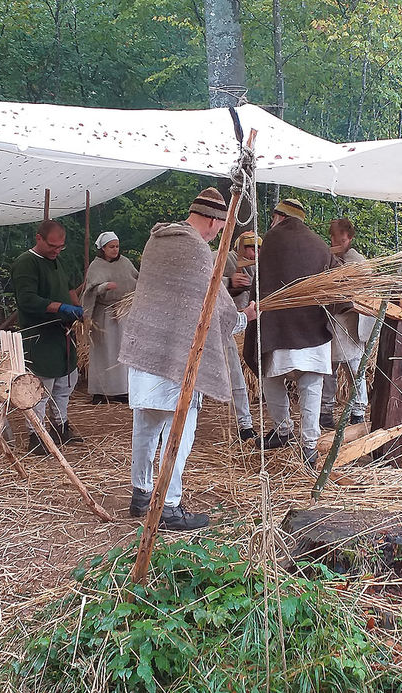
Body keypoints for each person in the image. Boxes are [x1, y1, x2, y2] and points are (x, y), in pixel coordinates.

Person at [120, 187, 257, 530]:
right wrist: (244, 317)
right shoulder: (196, 247)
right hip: (177, 355)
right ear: (211, 220)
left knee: (146, 425)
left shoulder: (157, 241)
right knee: (180, 430)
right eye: (219, 226)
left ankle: (141, 494)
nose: (217, 234)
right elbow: (215, 301)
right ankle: (168, 506)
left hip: (146, 349)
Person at [243, 199, 338, 468]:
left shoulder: (272, 240)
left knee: (271, 378)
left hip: (279, 327)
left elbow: (260, 283)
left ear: (279, 217)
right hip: (312, 329)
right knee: (311, 385)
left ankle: (282, 431)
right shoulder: (319, 244)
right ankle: (309, 446)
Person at [11, 219, 84, 455]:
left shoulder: (58, 261)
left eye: (61, 246)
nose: (56, 250)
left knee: (65, 385)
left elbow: (71, 288)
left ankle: (60, 427)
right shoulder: (26, 263)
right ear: (39, 238)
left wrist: (77, 308)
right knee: (41, 389)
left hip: (62, 335)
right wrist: (59, 308)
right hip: (39, 336)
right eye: (52, 245)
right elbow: (27, 300)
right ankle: (36, 435)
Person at [320, 218, 373, 429]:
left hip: (351, 325)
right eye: (334, 238)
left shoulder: (358, 262)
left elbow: (366, 293)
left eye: (341, 239)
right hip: (332, 323)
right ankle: (325, 412)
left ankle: (358, 413)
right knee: (328, 369)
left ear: (349, 238)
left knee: (354, 369)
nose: (337, 243)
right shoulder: (327, 259)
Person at [81, 231, 138, 405]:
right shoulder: (96, 266)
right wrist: (104, 287)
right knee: (103, 352)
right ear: (103, 248)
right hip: (103, 315)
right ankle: (100, 391)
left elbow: (136, 279)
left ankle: (122, 390)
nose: (115, 250)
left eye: (117, 246)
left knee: (122, 352)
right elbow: (90, 290)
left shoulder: (125, 263)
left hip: (122, 313)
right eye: (111, 247)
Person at [220, 231, 261, 441]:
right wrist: (230, 282)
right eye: (250, 248)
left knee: (238, 376)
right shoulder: (224, 259)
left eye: (257, 248)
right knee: (234, 374)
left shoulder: (259, 264)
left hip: (248, 323)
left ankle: (244, 423)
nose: (254, 252)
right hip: (222, 324)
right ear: (240, 247)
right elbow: (213, 286)